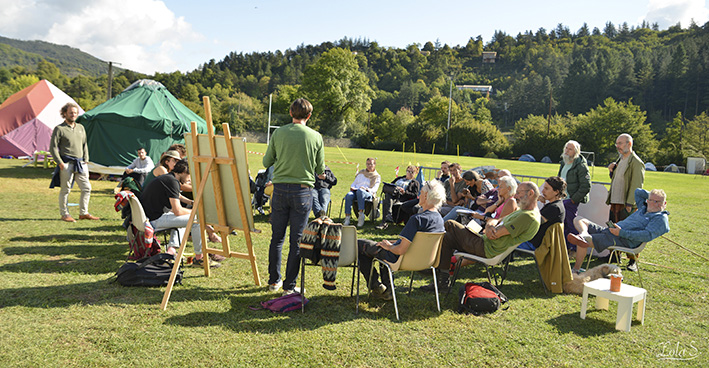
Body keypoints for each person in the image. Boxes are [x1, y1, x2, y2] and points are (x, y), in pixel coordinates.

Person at [421, 182, 541, 291]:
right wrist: (491, 224)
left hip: (487, 248)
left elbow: (495, 233)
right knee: (447, 238)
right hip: (485, 243)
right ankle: (442, 280)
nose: (515, 196)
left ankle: (426, 259)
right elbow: (496, 220)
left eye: (519, 193)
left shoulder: (528, 217)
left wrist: (490, 225)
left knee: (450, 224)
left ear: (530, 193)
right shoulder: (523, 211)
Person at [263, 98, 325, 295]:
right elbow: (320, 169)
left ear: (291, 113)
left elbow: (266, 161)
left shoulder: (279, 132)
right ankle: (290, 286)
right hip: (302, 191)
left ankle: (274, 281)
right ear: (309, 116)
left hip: (279, 189)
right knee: (297, 240)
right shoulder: (316, 136)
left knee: (277, 238)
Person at [358, 180, 446, 300]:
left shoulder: (417, 219)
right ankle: (386, 289)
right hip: (424, 261)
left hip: (401, 258)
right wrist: (392, 243)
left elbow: (400, 250)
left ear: (426, 196)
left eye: (421, 193)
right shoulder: (439, 219)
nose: (418, 196)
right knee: (380, 250)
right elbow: (416, 242)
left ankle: (377, 286)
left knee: (360, 246)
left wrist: (388, 246)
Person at [140, 159, 222, 267]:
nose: (189, 179)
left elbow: (176, 195)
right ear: (183, 172)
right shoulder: (172, 181)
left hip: (149, 217)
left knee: (186, 219)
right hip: (154, 220)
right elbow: (178, 211)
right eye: (189, 175)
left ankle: (171, 252)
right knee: (196, 220)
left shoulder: (168, 178)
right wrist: (197, 213)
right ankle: (200, 258)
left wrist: (190, 202)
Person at [568, 188, 669, 273]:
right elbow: (638, 191)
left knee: (584, 241)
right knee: (579, 219)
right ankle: (583, 233)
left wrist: (621, 233)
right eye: (651, 200)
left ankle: (576, 270)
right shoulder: (644, 208)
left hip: (622, 240)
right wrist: (652, 196)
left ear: (665, 203)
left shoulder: (660, 218)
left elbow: (646, 235)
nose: (654, 204)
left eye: (658, 202)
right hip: (611, 231)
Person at [49, 102, 99, 222]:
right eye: (71, 113)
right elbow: (53, 147)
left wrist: (86, 160)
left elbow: (85, 145)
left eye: (75, 113)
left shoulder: (81, 128)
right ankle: (64, 214)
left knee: (86, 188)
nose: (73, 115)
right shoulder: (59, 129)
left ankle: (83, 213)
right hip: (66, 163)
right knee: (65, 190)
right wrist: (60, 163)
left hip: (81, 163)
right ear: (65, 113)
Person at [558, 140, 591, 250]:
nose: (567, 151)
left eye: (570, 149)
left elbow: (586, 186)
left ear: (576, 152)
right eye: (566, 148)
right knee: (563, 225)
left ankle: (574, 249)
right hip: (561, 200)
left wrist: (573, 199)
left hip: (571, 201)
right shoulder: (564, 162)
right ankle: (564, 248)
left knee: (571, 225)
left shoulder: (581, 165)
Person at [518, 176, 566, 250]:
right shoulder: (556, 205)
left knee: (504, 240)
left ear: (556, 192)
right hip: (532, 241)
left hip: (533, 243)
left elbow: (533, 222)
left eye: (546, 189)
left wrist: (533, 201)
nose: (543, 191)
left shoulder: (554, 208)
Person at [607, 133, 645, 223]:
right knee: (612, 230)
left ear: (629, 144)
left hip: (626, 205)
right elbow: (617, 179)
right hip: (615, 202)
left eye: (620, 143)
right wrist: (611, 171)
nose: (617, 146)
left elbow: (637, 185)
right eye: (616, 144)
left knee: (623, 232)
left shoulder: (636, 162)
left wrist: (630, 204)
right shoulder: (620, 159)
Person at [377, 165, 420, 229]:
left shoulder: (415, 183)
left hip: (402, 198)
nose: (410, 173)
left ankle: (386, 220)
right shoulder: (399, 178)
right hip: (393, 195)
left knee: (388, 199)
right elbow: (391, 185)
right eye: (408, 171)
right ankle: (386, 220)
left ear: (415, 173)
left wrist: (404, 192)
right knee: (387, 197)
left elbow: (414, 195)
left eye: (412, 172)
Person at [343, 158, 381, 227]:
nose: (369, 166)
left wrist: (366, 189)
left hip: (368, 193)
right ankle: (347, 217)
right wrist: (353, 187)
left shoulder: (376, 176)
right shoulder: (361, 173)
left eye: (371, 164)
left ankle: (361, 215)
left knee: (360, 192)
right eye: (368, 164)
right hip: (356, 190)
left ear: (374, 165)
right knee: (349, 195)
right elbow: (354, 183)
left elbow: (375, 189)